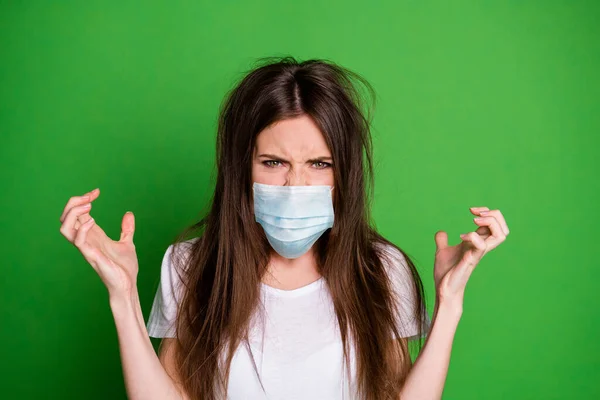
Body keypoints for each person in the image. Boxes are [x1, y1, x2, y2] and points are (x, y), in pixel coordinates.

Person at [58, 57, 509, 400]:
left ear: (344, 173)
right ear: (242, 167)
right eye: (273, 163)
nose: (296, 184)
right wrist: (123, 296)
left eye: (319, 164)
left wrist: (448, 305)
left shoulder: (381, 270)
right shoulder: (191, 265)